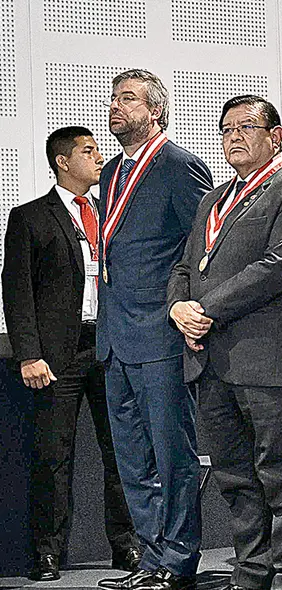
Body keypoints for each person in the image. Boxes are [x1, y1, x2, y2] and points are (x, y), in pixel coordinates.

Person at [167, 95, 282, 590]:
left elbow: (275, 269)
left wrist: (205, 309)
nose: (233, 136)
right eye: (226, 127)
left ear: (275, 136)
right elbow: (184, 266)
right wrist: (178, 306)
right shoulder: (213, 199)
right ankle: (251, 574)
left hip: (269, 363)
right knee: (236, 480)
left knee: (279, 478)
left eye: (246, 127)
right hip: (210, 363)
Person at [1, 127, 139, 582]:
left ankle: (127, 547)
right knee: (53, 455)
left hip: (111, 347)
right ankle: (47, 552)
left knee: (121, 451)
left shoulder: (112, 213)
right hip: (58, 355)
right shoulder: (30, 218)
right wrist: (28, 355)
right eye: (89, 151)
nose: (100, 158)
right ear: (63, 161)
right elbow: (16, 292)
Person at [96, 69, 212, 590]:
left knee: (173, 457)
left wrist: (188, 312)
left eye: (127, 99)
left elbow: (201, 250)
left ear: (155, 112)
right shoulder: (110, 173)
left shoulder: (179, 167)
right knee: (133, 460)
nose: (115, 106)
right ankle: (150, 560)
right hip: (115, 337)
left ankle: (179, 560)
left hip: (161, 336)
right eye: (113, 98)